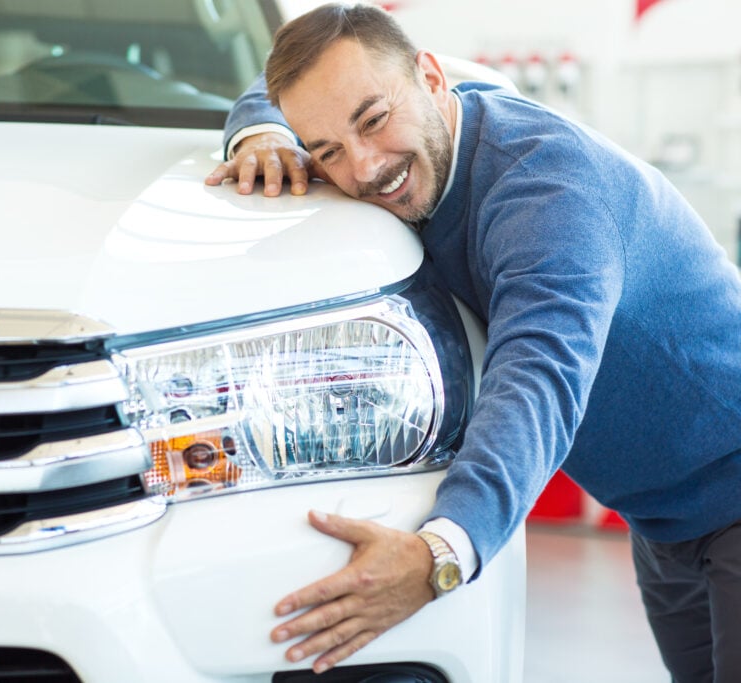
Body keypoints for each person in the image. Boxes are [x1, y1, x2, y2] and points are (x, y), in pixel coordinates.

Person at [205, 4, 741, 681]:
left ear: (431, 78)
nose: (365, 168)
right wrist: (259, 130)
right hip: (662, 516)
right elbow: (276, 87)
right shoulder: (436, 117)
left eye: (373, 120)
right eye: (328, 150)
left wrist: (441, 552)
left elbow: (537, 378)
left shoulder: (546, 193)